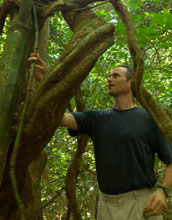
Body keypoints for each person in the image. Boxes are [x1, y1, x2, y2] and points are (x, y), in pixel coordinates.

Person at [29, 53, 172, 220]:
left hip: (140, 204)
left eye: (116, 76)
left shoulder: (149, 119)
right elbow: (60, 118)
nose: (109, 79)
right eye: (109, 75)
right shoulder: (96, 119)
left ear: (130, 83)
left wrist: (163, 190)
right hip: (106, 205)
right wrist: (49, 83)